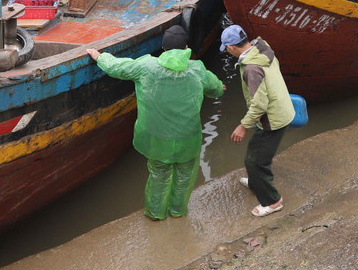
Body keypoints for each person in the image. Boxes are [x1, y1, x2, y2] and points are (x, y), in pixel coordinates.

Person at [87, 25, 224, 221]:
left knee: (159, 175)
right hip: (188, 139)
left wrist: (98, 56)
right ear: (186, 47)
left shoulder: (146, 67)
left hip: (157, 140)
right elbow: (215, 89)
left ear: (163, 48)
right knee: (185, 176)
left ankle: (155, 213)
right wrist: (220, 87)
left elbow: (116, 67)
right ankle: (177, 212)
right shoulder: (197, 69)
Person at [222, 24, 295, 218]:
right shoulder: (262, 48)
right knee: (256, 154)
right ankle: (256, 183)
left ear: (231, 48)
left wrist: (243, 126)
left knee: (255, 162)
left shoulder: (251, 69)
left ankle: (272, 201)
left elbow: (260, 105)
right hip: (283, 109)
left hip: (273, 119)